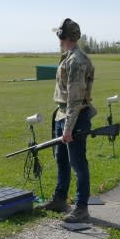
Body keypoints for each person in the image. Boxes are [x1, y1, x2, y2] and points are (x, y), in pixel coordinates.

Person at [36, 18, 96, 223]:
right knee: (61, 160)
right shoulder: (68, 57)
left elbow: (75, 99)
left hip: (75, 117)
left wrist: (68, 128)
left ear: (63, 36)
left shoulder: (77, 61)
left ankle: (81, 207)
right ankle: (60, 199)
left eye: (59, 35)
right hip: (63, 114)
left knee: (78, 164)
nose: (57, 39)